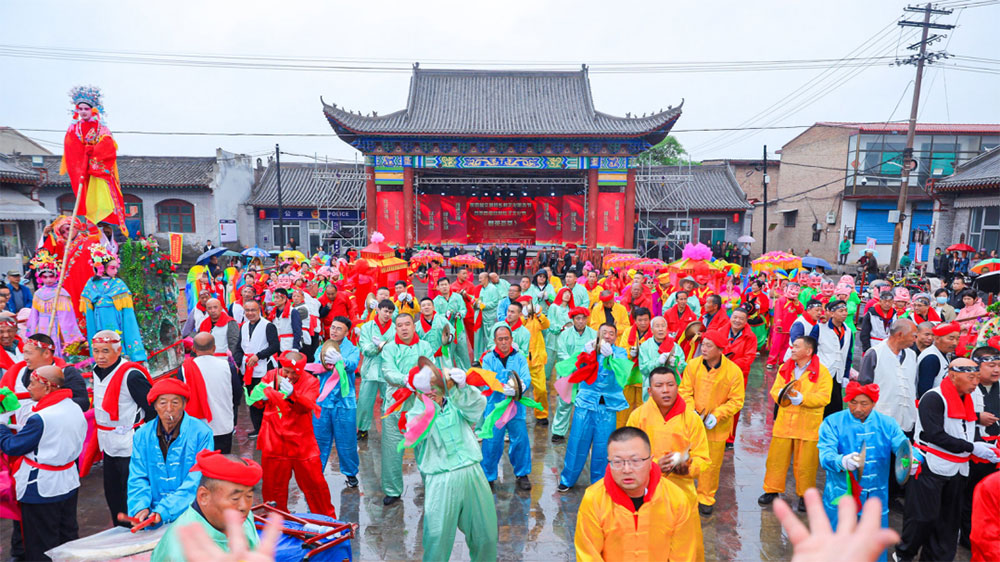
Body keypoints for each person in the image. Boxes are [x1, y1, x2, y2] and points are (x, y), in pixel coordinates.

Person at [895, 358, 1000, 562]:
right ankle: (904, 554)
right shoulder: (934, 398)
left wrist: (981, 446)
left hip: (959, 469)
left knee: (948, 524)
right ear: (952, 375)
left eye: (977, 377)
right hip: (932, 466)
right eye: (970, 376)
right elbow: (935, 435)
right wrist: (972, 447)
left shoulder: (967, 399)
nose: (975, 382)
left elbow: (965, 431)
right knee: (922, 518)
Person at [402, 358, 498, 561]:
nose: (432, 393)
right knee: (437, 538)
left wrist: (461, 388)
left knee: (486, 536)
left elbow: (478, 405)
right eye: (425, 390)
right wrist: (430, 406)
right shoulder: (415, 413)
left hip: (472, 472)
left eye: (434, 387)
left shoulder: (457, 404)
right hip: (440, 479)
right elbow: (414, 434)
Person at [818, 381, 916, 562]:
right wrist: (842, 460)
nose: (858, 408)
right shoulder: (832, 422)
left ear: (873, 403)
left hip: (875, 494)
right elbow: (825, 454)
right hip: (842, 492)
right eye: (853, 402)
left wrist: (913, 460)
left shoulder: (887, 424)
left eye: (864, 403)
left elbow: (904, 447)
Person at [573, 427, 697, 561]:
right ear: (609, 461)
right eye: (618, 462)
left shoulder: (675, 498)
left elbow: (683, 555)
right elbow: (588, 555)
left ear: (650, 461)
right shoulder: (594, 498)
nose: (627, 469)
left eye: (636, 461)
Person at [0, 365, 84, 561]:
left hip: (42, 486)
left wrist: (2, 423)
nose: (28, 387)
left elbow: (12, 447)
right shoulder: (72, 406)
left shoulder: (41, 418)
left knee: (41, 544)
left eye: (32, 383)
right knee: (68, 536)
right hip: (68, 480)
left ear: (47, 387)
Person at [627, 366, 709, 560]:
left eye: (670, 385)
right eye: (659, 385)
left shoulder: (691, 419)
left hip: (682, 495)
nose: (665, 390)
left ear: (677, 387)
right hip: (646, 495)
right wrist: (654, 465)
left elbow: (703, 459)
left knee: (685, 549)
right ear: (649, 390)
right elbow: (627, 458)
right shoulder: (638, 417)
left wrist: (688, 468)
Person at [247, 350, 335, 517]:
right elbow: (254, 401)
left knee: (316, 486)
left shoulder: (311, 382)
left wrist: (293, 394)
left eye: (294, 373)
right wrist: (262, 395)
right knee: (273, 489)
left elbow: (308, 406)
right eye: (286, 371)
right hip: (274, 442)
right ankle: (276, 525)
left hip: (302, 443)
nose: (289, 376)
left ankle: (327, 523)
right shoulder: (271, 375)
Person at [126, 378, 214, 528]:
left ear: (184, 404)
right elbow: (138, 476)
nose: (169, 408)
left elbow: (197, 478)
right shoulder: (142, 435)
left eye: (175, 402)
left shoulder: (202, 433)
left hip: (193, 512)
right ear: (155, 406)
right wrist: (140, 507)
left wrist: (165, 510)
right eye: (162, 403)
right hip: (154, 514)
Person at [759, 336, 832, 512]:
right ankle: (771, 490)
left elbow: (824, 397)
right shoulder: (786, 368)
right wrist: (782, 396)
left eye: (797, 347)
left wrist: (804, 399)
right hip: (785, 422)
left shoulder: (822, 372)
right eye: (793, 346)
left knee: (806, 464)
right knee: (776, 459)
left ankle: (805, 496)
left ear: (808, 351)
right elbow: (775, 390)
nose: (792, 349)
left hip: (807, 425)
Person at [150, 450, 265, 562]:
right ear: (203, 496)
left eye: (249, 496)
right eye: (235, 498)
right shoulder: (182, 550)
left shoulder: (240, 517)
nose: (244, 507)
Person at [678, 329, 745, 514]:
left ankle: (706, 497)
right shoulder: (692, 365)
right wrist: (691, 410)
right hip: (692, 423)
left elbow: (737, 400)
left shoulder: (733, 371)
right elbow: (685, 390)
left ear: (719, 349)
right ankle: (685, 494)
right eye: (703, 344)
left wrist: (718, 415)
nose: (703, 348)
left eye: (709, 345)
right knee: (687, 459)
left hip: (716, 426)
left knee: (712, 464)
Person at [91, 330, 154, 524]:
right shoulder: (96, 371)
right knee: (113, 492)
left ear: (118, 351)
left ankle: (138, 528)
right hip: (108, 442)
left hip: (131, 442)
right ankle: (119, 528)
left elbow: (151, 407)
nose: (100, 356)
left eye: (106, 351)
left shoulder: (131, 375)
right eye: (96, 351)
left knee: (133, 491)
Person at [558, 323, 627, 491]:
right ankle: (567, 479)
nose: (608, 336)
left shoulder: (620, 353)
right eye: (605, 333)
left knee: (603, 446)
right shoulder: (587, 350)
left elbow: (623, 374)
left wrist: (612, 358)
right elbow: (573, 368)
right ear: (598, 335)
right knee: (577, 441)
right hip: (585, 404)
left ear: (616, 337)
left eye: (611, 333)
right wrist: (585, 353)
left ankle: (600, 482)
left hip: (607, 406)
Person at [378, 313, 434, 505]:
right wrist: (406, 380)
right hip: (395, 403)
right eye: (399, 325)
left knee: (425, 446)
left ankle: (433, 486)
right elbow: (387, 371)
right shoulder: (389, 348)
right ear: (396, 328)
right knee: (392, 448)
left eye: (407, 324)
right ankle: (392, 490)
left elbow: (430, 369)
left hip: (420, 403)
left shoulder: (425, 347)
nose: (404, 328)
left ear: (413, 326)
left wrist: (419, 381)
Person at [479, 325, 533, 491]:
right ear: (494, 341)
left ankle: (522, 473)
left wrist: (520, 386)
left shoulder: (520, 358)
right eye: (500, 339)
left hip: (515, 406)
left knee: (520, 439)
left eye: (506, 338)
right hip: (496, 407)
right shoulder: (488, 358)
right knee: (491, 442)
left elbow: (526, 377)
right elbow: (488, 378)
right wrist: (503, 387)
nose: (503, 342)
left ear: (511, 339)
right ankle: (488, 476)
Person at [960, 344, 1000, 548]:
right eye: (991, 365)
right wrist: (977, 417)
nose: (996, 370)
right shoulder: (966, 388)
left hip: (997, 450)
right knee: (970, 496)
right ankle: (967, 535)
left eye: (999, 366)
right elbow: (953, 415)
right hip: (974, 450)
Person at [312, 316, 360, 487]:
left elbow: (353, 365)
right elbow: (316, 365)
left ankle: (350, 473)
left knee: (347, 440)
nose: (334, 331)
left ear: (347, 332)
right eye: (332, 327)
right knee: (319, 439)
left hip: (344, 402)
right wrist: (324, 363)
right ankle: (316, 471)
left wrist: (342, 362)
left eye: (339, 328)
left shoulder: (353, 349)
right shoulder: (321, 348)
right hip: (323, 401)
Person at [178, 333, 240, 453]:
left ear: (194, 349)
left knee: (199, 465)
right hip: (223, 423)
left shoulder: (184, 369)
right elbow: (237, 394)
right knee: (222, 463)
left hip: (197, 426)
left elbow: (181, 397)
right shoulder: (228, 367)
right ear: (214, 348)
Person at [0, 334, 90, 414]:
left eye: (29, 353)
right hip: (22, 430)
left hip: (53, 428)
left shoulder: (67, 372)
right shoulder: (17, 371)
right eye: (24, 353)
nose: (25, 358)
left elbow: (83, 403)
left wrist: (50, 404)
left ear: (46, 353)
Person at [237, 300, 279, 437]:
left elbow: (275, 346)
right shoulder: (243, 326)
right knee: (252, 399)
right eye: (247, 310)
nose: (250, 313)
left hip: (264, 367)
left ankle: (270, 428)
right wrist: (237, 363)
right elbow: (238, 347)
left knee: (266, 399)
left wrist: (259, 356)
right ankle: (258, 428)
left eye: (253, 310)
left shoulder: (268, 326)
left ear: (259, 310)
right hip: (248, 369)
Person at [553, 306, 595, 442]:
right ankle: (558, 431)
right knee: (565, 403)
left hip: (587, 374)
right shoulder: (565, 335)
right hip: (569, 374)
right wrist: (574, 364)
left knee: (586, 403)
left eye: (583, 318)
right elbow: (561, 352)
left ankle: (585, 431)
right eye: (578, 318)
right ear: (573, 319)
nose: (581, 321)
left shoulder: (594, 334)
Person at [356, 299, 395, 440]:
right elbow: (365, 349)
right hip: (370, 370)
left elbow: (395, 349)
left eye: (390, 312)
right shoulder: (367, 327)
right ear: (378, 310)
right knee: (365, 401)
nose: (387, 315)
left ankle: (390, 429)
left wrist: (381, 346)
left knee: (389, 400)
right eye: (385, 311)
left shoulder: (395, 328)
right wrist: (379, 347)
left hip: (388, 371)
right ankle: (362, 429)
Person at [809, 300, 854, 417]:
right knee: (820, 403)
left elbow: (848, 354)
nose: (844, 313)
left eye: (845, 311)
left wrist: (846, 374)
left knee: (836, 405)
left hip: (838, 373)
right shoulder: (820, 328)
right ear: (832, 314)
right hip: (823, 371)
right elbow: (811, 350)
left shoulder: (848, 331)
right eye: (841, 311)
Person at [434, 277, 471, 369]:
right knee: (448, 356)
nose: (444, 287)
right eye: (441, 285)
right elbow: (436, 316)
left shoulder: (457, 297)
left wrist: (460, 314)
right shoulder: (436, 301)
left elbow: (463, 309)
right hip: (446, 333)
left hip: (459, 331)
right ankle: (449, 377)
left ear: (449, 285)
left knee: (463, 354)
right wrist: (445, 316)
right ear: (438, 287)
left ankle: (466, 374)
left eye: (446, 284)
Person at [916, 321, 960, 398]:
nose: (955, 343)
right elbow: (924, 391)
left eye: (957, 339)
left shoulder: (943, 353)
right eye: (951, 338)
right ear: (937, 339)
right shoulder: (932, 358)